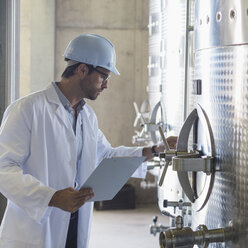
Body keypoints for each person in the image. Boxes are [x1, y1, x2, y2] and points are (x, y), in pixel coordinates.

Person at [0, 34, 176, 248]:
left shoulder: (87, 117)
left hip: (73, 225)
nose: (106, 85)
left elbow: (106, 155)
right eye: (103, 76)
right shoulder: (27, 109)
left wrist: (155, 150)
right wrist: (52, 197)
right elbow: (4, 169)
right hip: (35, 229)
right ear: (82, 70)